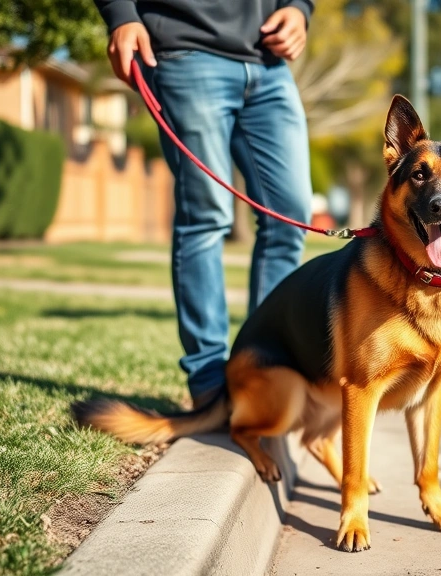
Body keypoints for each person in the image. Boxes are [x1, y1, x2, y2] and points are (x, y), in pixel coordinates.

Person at [93, 0, 315, 406]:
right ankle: (210, 384)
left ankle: (263, 372)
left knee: (290, 216)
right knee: (207, 215)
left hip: (269, 64)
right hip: (185, 51)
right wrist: (121, 14)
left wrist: (299, 8)